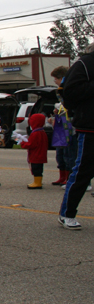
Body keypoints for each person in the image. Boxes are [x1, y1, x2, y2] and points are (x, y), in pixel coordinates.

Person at [58, 43, 94, 230]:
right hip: (89, 128)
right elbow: (69, 93)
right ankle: (67, 213)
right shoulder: (84, 65)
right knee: (82, 173)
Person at [49, 66, 77, 186]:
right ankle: (65, 178)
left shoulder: (68, 90)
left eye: (56, 79)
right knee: (64, 156)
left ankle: (73, 179)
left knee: (72, 155)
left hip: (71, 129)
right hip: (63, 130)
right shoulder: (63, 93)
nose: (55, 82)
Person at [15, 114, 48, 189]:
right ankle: (38, 181)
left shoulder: (35, 133)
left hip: (36, 155)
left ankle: (37, 183)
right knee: (39, 169)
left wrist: (22, 143)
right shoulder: (42, 132)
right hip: (41, 155)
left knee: (36, 169)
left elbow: (30, 144)